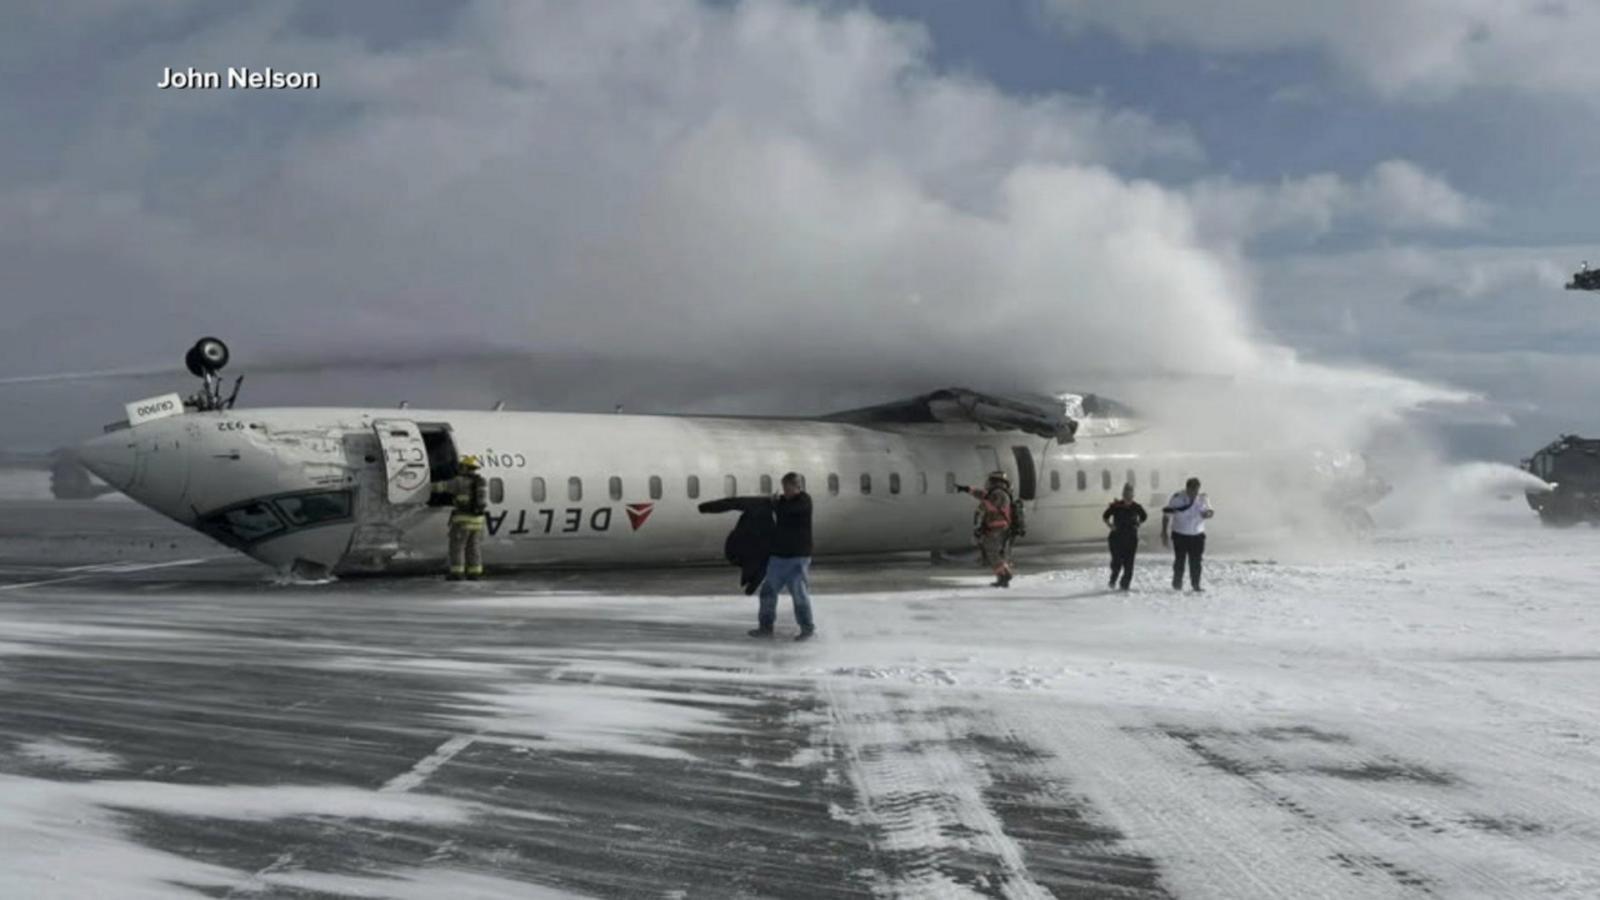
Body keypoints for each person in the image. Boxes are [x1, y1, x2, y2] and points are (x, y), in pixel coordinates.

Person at [696, 495, 777, 595]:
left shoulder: (777, 508)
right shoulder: (760, 503)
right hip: (742, 544)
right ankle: (753, 582)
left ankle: (752, 582)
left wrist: (705, 508)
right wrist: (706, 507)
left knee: (766, 560)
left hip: (748, 546)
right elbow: (732, 503)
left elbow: (732, 502)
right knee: (766, 560)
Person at [958, 471, 1018, 588]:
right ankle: (1005, 573)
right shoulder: (996, 493)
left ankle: (1003, 576)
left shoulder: (1000, 494)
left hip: (998, 527)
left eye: (991, 481)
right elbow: (982, 494)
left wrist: (982, 506)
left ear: (996, 482)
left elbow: (991, 507)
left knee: (992, 552)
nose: (988, 483)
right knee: (994, 552)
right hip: (996, 527)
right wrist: (967, 489)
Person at [432, 455, 488, 581]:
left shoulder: (459, 481)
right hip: (478, 521)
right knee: (473, 548)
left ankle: (457, 573)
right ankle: (475, 573)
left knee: (457, 548)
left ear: (465, 468)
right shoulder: (480, 482)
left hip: (462, 521)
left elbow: (440, 487)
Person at [1161, 477, 1214, 592]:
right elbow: (1166, 515)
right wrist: (1164, 532)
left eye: (1196, 490)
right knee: (1180, 560)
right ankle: (1177, 583)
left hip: (1197, 534)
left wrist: (1207, 514)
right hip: (1180, 534)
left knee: (1196, 562)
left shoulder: (1203, 498)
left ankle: (1196, 584)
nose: (1194, 493)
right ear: (1187, 488)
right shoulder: (1178, 498)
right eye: (1192, 490)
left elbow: (1210, 511)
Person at [1102, 483, 1147, 591]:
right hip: (1116, 538)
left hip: (1131, 539)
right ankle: (1113, 580)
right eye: (1126, 493)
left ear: (1133, 495)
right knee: (1117, 562)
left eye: (1130, 493)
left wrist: (1138, 523)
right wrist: (1110, 525)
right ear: (1123, 494)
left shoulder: (1136, 507)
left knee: (1129, 565)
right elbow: (1105, 516)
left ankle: (1124, 587)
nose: (1127, 495)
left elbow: (1144, 516)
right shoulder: (1116, 506)